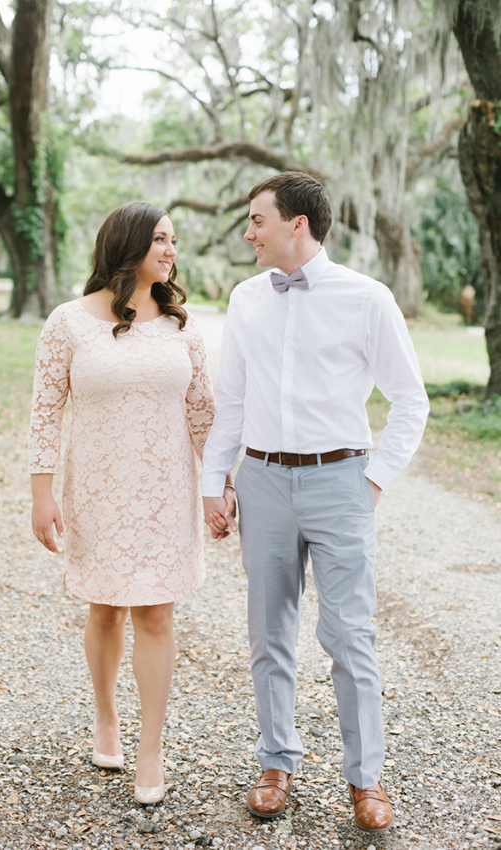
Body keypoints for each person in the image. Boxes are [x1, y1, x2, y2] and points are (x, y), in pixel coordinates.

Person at [202, 173, 429, 833]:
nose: (248, 232)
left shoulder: (367, 298)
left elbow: (410, 399)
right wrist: (215, 482)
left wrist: (373, 480)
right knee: (268, 632)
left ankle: (366, 779)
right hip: (263, 481)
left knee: (349, 635)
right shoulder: (246, 300)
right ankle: (277, 762)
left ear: (295, 224)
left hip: (341, 482)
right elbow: (233, 402)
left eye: (257, 220)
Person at [28, 202, 234, 805]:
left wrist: (217, 488)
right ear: (128, 245)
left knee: (156, 614)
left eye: (174, 240)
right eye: (161, 240)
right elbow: (45, 409)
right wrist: (43, 493)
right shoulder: (67, 322)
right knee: (105, 610)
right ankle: (106, 718)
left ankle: (151, 746)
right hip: (97, 487)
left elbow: (203, 413)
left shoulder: (182, 326)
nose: (171, 251)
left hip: (166, 491)